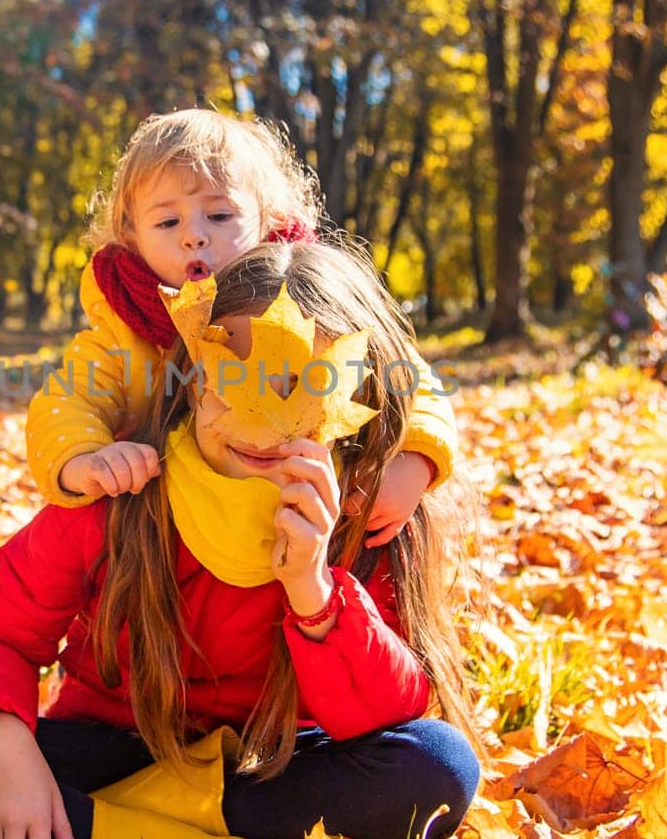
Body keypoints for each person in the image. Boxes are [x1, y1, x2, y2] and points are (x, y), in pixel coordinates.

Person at [0, 243, 481, 839]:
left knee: (440, 769)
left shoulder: (365, 517)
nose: (257, 422)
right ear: (192, 385)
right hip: (109, 749)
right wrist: (5, 748)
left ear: (352, 401)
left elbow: (380, 717)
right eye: (231, 382)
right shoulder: (122, 491)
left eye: (293, 390)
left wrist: (312, 589)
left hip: (265, 767)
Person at [26, 107, 458, 547]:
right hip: (166, 524)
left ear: (266, 218)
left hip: (304, 506)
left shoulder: (308, 301)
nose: (193, 235)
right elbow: (70, 398)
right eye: (167, 221)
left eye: (219, 216)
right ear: (131, 233)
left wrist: (414, 460)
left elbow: (409, 379)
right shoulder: (124, 325)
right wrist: (84, 460)